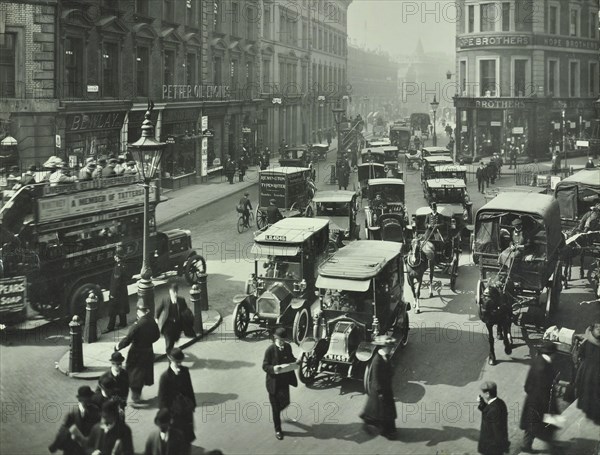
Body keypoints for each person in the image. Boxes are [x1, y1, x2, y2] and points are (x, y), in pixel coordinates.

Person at [115, 300, 160, 404]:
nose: (137, 313)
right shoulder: (152, 321)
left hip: (136, 352)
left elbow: (128, 339)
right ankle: (137, 393)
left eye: (138, 311)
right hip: (148, 351)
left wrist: (118, 346)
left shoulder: (138, 325)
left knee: (133, 372)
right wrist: (148, 342)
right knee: (143, 373)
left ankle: (135, 395)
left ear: (140, 311)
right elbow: (157, 336)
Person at [519, 340, 559, 454]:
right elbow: (544, 390)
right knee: (549, 424)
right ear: (552, 353)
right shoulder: (544, 367)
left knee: (531, 425)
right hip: (542, 402)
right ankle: (552, 447)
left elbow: (527, 385)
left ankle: (526, 445)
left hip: (532, 401)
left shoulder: (537, 361)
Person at [262, 328, 299, 440]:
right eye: (279, 339)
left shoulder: (288, 347)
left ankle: (276, 413)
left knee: (286, 402)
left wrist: (297, 361)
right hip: (273, 384)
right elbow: (264, 366)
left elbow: (291, 358)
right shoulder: (270, 350)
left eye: (283, 339)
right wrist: (273, 368)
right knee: (275, 409)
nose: (282, 342)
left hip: (284, 381)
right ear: (275, 338)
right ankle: (278, 430)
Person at [158, 348, 196, 453]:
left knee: (186, 433)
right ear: (171, 360)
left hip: (185, 409)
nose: (179, 364)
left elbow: (189, 389)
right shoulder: (165, 377)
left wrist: (192, 404)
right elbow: (162, 398)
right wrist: (165, 414)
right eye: (176, 361)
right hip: (173, 411)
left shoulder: (185, 372)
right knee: (175, 434)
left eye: (180, 361)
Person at [360, 335, 397, 440]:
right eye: (389, 347)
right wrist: (380, 392)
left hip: (386, 389)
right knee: (382, 412)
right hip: (379, 391)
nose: (391, 349)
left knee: (385, 411)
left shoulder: (386, 356)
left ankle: (389, 430)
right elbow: (375, 378)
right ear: (384, 347)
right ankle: (387, 431)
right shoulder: (377, 360)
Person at [48, 386, 100, 455]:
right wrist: (54, 446)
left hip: (87, 447)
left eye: (90, 396)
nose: (90, 398)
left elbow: (98, 427)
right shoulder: (72, 413)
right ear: (81, 398)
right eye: (88, 397)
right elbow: (63, 431)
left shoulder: (95, 410)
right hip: (73, 448)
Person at [155, 280, 195, 354]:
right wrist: (156, 318)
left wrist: (189, 318)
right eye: (174, 292)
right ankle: (170, 356)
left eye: (176, 292)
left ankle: (171, 352)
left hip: (177, 325)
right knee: (169, 342)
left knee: (174, 340)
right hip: (167, 324)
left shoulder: (181, 300)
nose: (175, 294)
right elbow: (159, 309)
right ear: (170, 292)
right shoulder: (165, 300)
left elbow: (186, 311)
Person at [574, 322, 600, 423]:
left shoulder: (586, 343)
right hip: (597, 371)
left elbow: (580, 354)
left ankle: (585, 408)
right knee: (594, 390)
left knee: (584, 386)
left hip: (585, 369)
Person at [477, 381, 509, 455]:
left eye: (483, 393)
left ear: (487, 394)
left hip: (491, 448)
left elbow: (497, 431)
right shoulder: (500, 403)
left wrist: (501, 448)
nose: (482, 395)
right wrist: (482, 403)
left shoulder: (493, 410)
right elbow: (489, 411)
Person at [103, 247, 130, 333]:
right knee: (122, 306)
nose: (114, 257)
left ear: (117, 256)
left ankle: (110, 327)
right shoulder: (124, 265)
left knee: (112, 310)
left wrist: (112, 294)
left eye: (115, 255)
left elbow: (116, 281)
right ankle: (123, 323)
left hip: (117, 292)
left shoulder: (118, 267)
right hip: (122, 291)